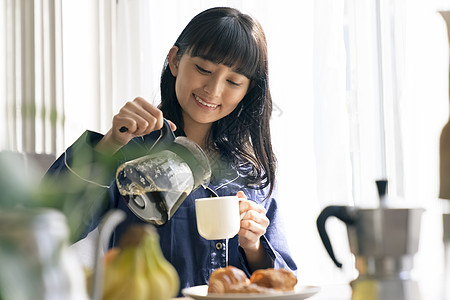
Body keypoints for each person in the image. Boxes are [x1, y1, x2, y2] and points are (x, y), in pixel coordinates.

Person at [43, 6, 297, 295]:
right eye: (204, 69)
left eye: (233, 81)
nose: (213, 90)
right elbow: (47, 227)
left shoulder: (250, 173)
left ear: (247, 91)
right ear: (175, 60)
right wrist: (111, 143)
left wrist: (253, 247)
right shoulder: (129, 154)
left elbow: (285, 282)